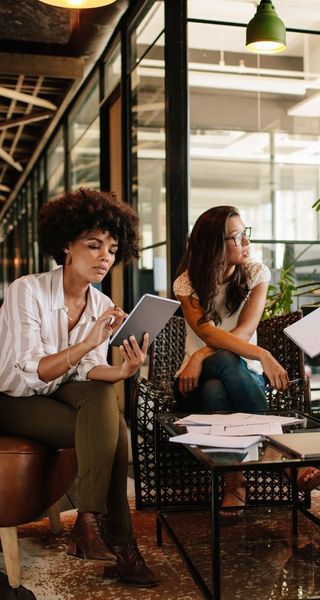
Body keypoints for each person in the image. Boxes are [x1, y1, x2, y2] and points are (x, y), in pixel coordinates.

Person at [0, 189, 158, 587]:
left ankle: (89, 522)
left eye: (112, 248)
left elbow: (90, 370)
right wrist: (88, 341)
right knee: (113, 436)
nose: (105, 256)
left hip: (62, 391)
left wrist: (123, 371)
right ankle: (122, 546)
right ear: (66, 246)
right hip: (13, 397)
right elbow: (33, 369)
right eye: (93, 245)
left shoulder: (101, 302)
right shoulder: (27, 290)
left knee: (105, 397)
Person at [173, 205, 320, 512]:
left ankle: (235, 486)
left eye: (246, 233)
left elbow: (244, 331)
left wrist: (201, 354)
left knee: (219, 385)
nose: (246, 242)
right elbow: (209, 333)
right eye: (236, 237)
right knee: (221, 369)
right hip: (193, 380)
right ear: (214, 245)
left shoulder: (256, 274)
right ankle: (282, 458)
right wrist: (262, 353)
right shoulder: (187, 283)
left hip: (234, 373)